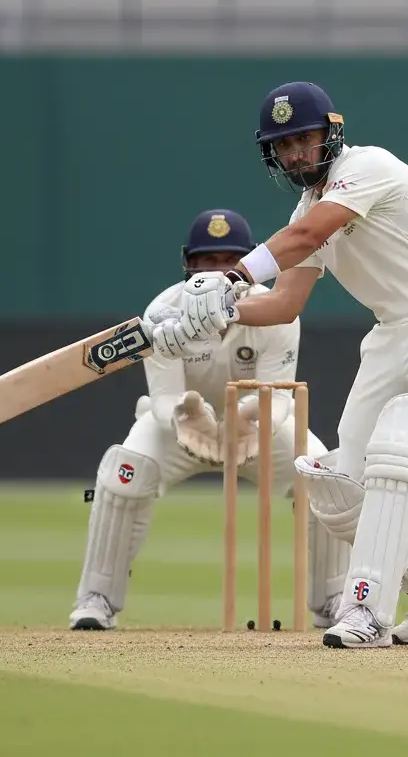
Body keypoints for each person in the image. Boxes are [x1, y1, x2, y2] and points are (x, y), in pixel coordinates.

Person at [151, 82, 408, 649]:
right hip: (393, 334)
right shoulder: (304, 211)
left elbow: (308, 236)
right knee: (339, 487)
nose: (295, 153)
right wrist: (209, 314)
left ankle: (365, 609)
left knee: (404, 443)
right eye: (283, 145)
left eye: (304, 138)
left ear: (330, 134)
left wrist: (231, 278)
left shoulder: (369, 168)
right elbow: (283, 303)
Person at [72, 208, 349, 631]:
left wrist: (245, 421)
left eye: (228, 262)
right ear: (189, 264)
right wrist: (186, 418)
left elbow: (279, 397)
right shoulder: (162, 312)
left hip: (255, 430)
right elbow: (163, 398)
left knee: (322, 474)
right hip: (181, 431)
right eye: (207, 262)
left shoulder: (274, 310)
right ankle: (96, 600)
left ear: (248, 265)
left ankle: (331, 600)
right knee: (122, 475)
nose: (217, 273)